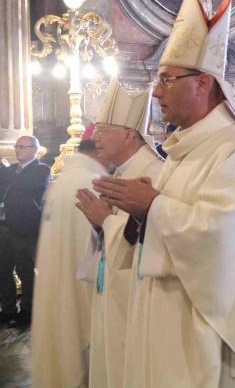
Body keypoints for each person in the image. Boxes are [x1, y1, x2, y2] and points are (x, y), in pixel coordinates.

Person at [90, 0, 235, 387]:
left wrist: (151, 206)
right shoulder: (184, 148)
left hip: (204, 331)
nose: (156, 91)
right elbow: (162, 230)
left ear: (202, 83)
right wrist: (134, 217)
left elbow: (220, 240)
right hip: (165, 319)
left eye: (167, 79)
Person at [74, 79, 164, 387]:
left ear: (128, 133)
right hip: (113, 292)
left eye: (103, 129)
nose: (94, 137)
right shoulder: (122, 172)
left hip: (134, 299)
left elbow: (151, 241)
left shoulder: (154, 173)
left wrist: (106, 221)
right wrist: (99, 223)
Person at [31, 126, 108, 387]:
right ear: (100, 149)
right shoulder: (94, 183)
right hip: (81, 294)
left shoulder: (63, 180)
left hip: (55, 288)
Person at [0, 135, 51, 326]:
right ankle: (8, 309)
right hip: (4, 227)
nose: (17, 149)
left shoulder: (41, 170)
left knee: (25, 272)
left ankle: (28, 311)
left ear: (34, 150)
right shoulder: (11, 170)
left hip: (24, 228)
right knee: (2, 270)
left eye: (22, 146)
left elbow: (27, 189)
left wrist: (7, 174)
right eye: (17, 146)